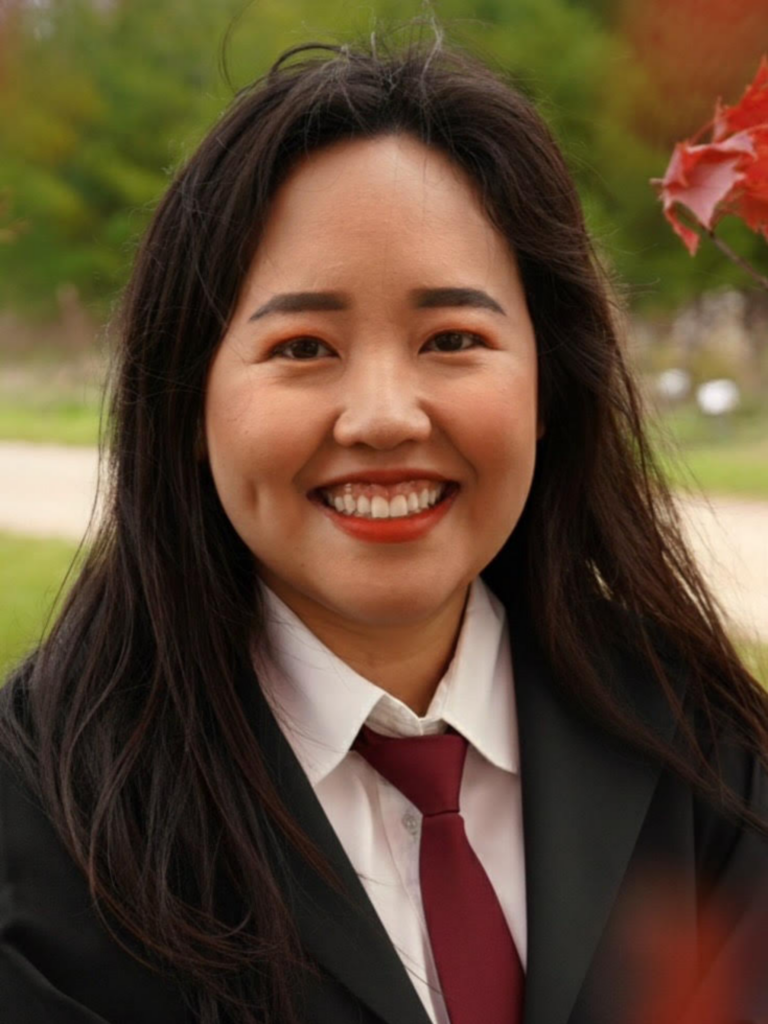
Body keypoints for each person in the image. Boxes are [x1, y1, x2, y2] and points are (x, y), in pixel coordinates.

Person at [1, 24, 767, 1024]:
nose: (384, 418)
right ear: (190, 401)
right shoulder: (43, 819)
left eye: (453, 337)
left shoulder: (708, 754)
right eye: (304, 346)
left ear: (549, 385)